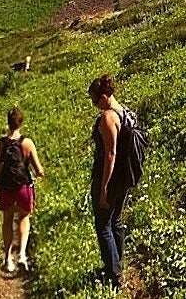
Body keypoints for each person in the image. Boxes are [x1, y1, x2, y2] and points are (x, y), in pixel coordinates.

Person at [0, 106, 45, 274]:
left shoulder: (0, 144)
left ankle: (7, 258)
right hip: (23, 187)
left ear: (8, 123)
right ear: (21, 123)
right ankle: (21, 254)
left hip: (6, 187)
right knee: (23, 217)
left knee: (7, 220)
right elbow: (39, 170)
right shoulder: (27, 143)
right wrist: (40, 174)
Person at [89, 74, 130, 288]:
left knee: (103, 225)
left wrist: (104, 187)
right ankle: (118, 264)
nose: (94, 105)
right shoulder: (124, 111)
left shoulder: (108, 117)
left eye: (95, 100)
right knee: (116, 222)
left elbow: (110, 154)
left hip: (109, 177)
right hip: (123, 177)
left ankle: (114, 275)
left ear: (104, 97)